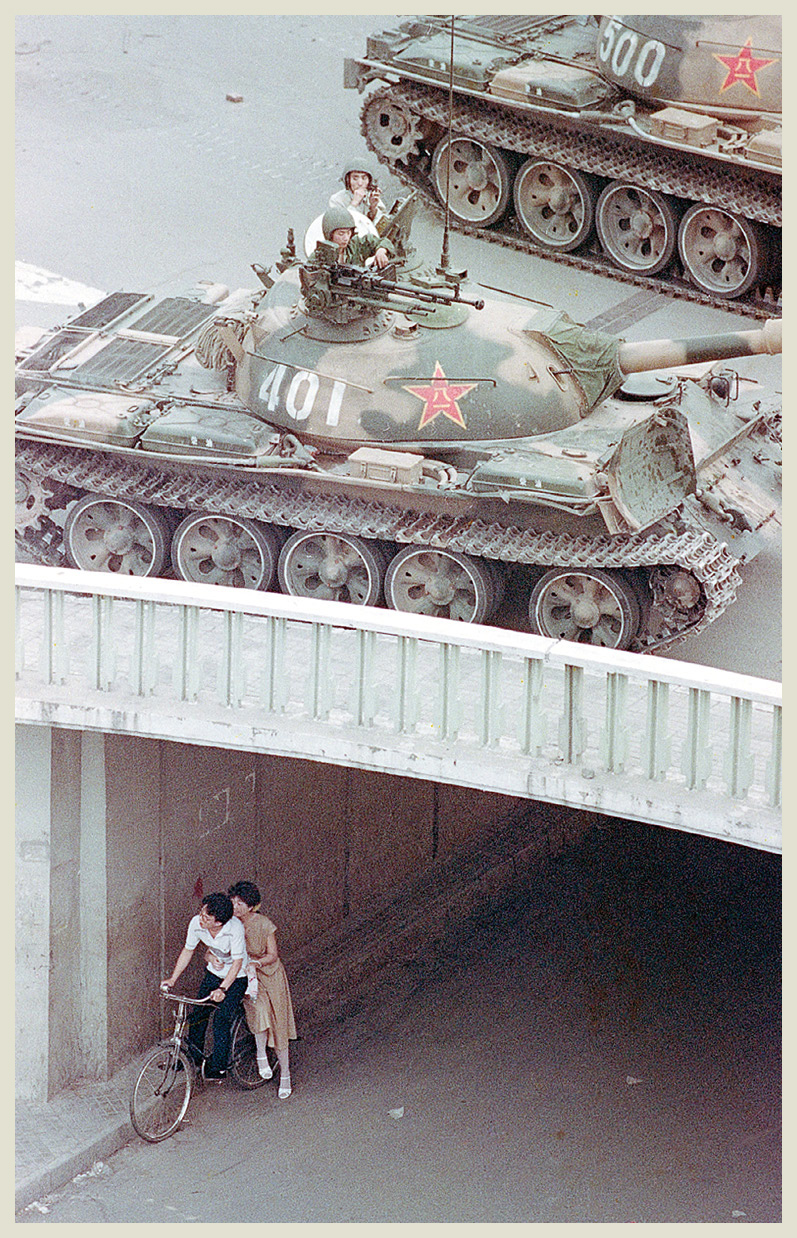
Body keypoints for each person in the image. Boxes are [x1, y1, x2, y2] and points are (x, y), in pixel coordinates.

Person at [161, 892, 248, 1080]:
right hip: (213, 974)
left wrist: (223, 989)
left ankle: (218, 1068)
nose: (201, 918)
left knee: (221, 1019)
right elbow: (188, 950)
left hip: (236, 978)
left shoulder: (235, 928)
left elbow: (237, 963)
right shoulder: (196, 924)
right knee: (198, 1014)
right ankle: (192, 1059)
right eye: (201, 912)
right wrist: (173, 979)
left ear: (218, 922)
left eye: (206, 917)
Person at [228, 880, 297, 1100]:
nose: (236, 906)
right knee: (258, 1011)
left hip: (270, 974)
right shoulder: (230, 925)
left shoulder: (264, 924)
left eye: (241, 903)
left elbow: (272, 955)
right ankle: (260, 1055)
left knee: (278, 1023)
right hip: (248, 976)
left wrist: (257, 963)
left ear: (251, 906)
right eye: (234, 902)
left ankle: (285, 1074)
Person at [312, 206, 392, 270]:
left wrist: (381, 251)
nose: (346, 238)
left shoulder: (356, 245)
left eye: (348, 232)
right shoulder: (319, 257)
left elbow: (382, 241)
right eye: (341, 233)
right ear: (330, 234)